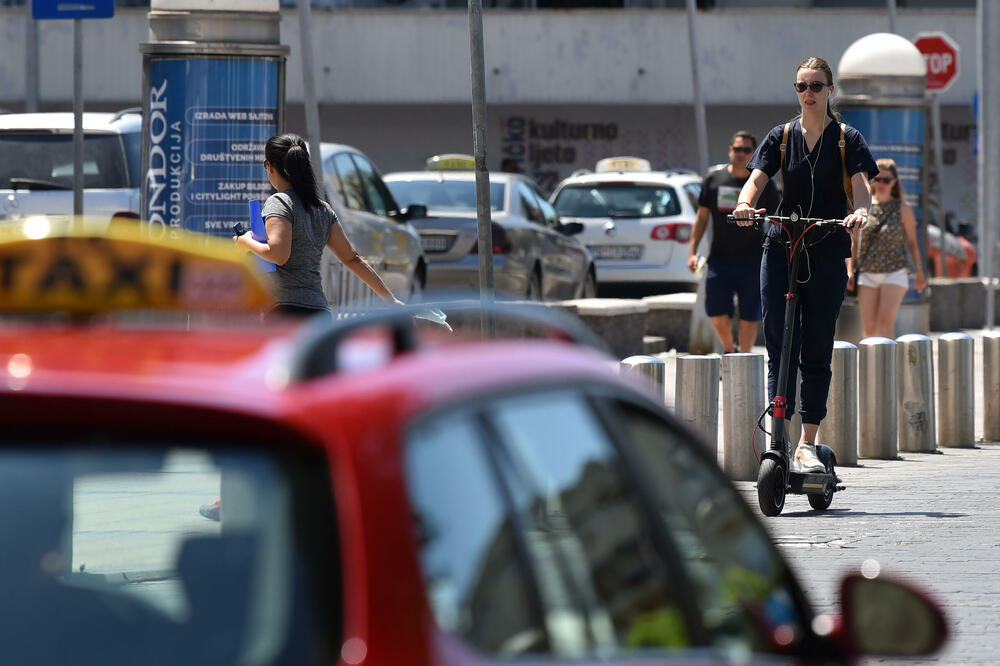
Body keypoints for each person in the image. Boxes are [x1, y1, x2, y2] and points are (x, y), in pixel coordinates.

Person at [733, 56, 878, 474]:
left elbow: (861, 188)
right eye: (801, 86)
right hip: (782, 247)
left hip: (827, 247)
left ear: (830, 91)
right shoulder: (781, 137)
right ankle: (777, 435)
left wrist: (861, 213)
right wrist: (746, 203)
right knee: (779, 345)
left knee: (816, 348)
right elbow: (757, 178)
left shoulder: (846, 139)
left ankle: (806, 445)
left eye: (816, 86)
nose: (808, 94)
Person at [235, 133, 404, 319]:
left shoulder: (280, 202)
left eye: (266, 165)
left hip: (284, 311)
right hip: (319, 312)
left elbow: (278, 255)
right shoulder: (322, 209)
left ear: (271, 167)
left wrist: (245, 241)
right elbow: (352, 259)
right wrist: (390, 299)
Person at [688, 131, 780, 353]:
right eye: (737, 149)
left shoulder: (762, 183)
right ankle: (730, 351)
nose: (741, 154)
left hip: (753, 261)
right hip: (720, 259)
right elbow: (701, 218)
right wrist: (692, 252)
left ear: (754, 153)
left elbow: (777, 220)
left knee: (750, 315)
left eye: (747, 150)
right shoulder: (713, 180)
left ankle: (744, 357)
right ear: (730, 150)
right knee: (715, 311)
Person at [850, 157, 927, 339]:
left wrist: (919, 272)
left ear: (894, 182)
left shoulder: (903, 208)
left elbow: (912, 242)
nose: (882, 183)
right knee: (868, 329)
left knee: (885, 327)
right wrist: (850, 271)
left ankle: (887, 367)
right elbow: (854, 241)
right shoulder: (863, 207)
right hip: (867, 272)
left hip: (895, 271)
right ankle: (870, 367)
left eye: (887, 180)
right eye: (878, 179)